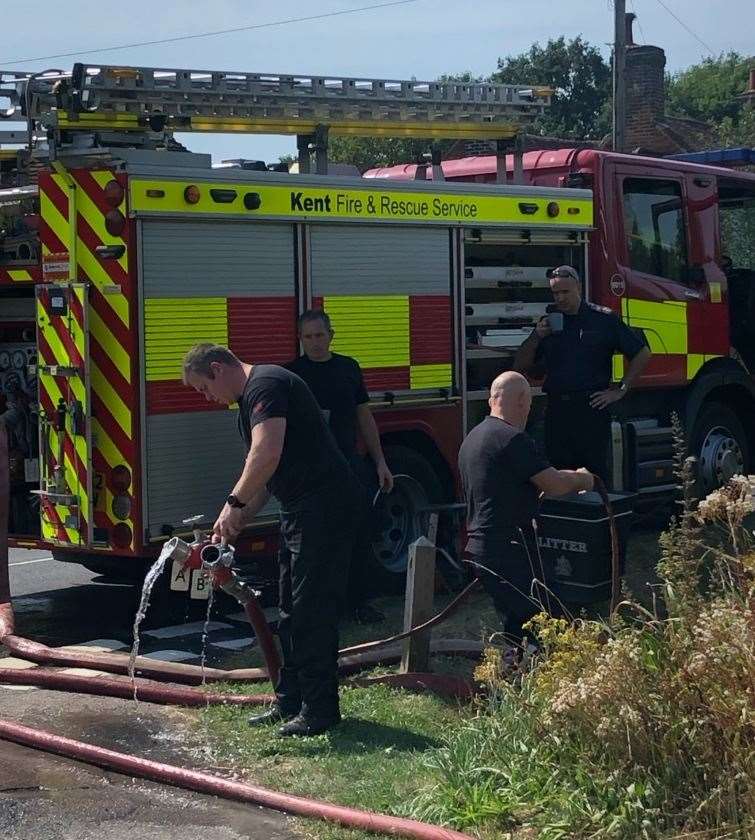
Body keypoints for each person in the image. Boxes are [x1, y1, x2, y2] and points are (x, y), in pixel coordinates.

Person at [183, 343, 358, 737]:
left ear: (218, 368)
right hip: (299, 509)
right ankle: (291, 701)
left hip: (324, 508)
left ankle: (320, 710)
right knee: (291, 610)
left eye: (203, 388)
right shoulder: (249, 400)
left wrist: (233, 503)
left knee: (312, 610)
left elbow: (266, 454)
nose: (207, 398)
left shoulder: (266, 385)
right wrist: (238, 516)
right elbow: (265, 474)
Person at [458, 371, 594, 647]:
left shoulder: (473, 439)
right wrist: (583, 478)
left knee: (518, 622)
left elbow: (504, 485)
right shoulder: (511, 439)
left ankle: (513, 675)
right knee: (551, 618)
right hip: (510, 551)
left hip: (481, 550)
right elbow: (554, 484)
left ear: (491, 399)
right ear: (522, 401)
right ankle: (544, 677)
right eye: (529, 407)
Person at [286, 309, 393, 624]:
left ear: (331, 335)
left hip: (348, 462)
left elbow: (364, 416)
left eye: (320, 335)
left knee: (359, 533)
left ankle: (360, 603)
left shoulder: (348, 368)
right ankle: (320, 608)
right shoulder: (292, 375)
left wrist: (380, 461)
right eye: (308, 337)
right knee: (318, 541)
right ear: (300, 339)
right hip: (311, 469)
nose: (315, 342)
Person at [514, 265, 650, 480]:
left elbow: (642, 353)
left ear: (579, 287)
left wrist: (620, 389)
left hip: (591, 408)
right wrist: (535, 336)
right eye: (555, 293)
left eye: (565, 292)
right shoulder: (548, 323)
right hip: (558, 410)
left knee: (593, 476)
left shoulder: (603, 319)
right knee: (559, 477)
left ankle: (599, 512)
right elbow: (521, 367)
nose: (560, 298)